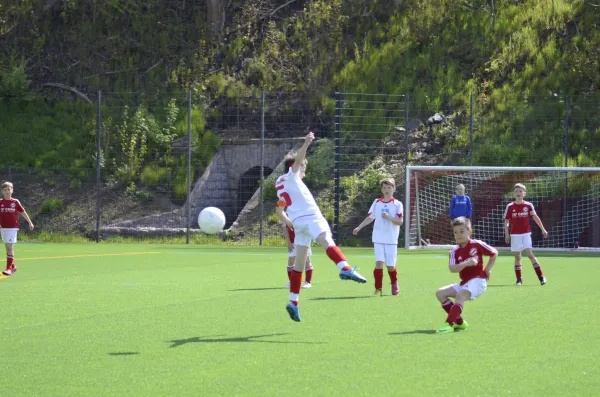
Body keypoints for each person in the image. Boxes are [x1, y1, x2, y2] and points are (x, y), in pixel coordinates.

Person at [275, 132, 367, 322]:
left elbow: (281, 206)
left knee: (299, 265)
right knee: (326, 240)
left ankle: (293, 302)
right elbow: (299, 159)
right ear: (295, 167)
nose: (304, 172)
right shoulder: (292, 177)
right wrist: (306, 144)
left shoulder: (279, 182)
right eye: (303, 168)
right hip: (310, 217)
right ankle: (345, 267)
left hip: (298, 223)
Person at [435, 217, 498, 333]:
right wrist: (466, 263)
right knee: (440, 293)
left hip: (478, 281)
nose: (458, 235)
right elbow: (452, 269)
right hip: (465, 283)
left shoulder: (477, 244)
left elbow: (494, 253)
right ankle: (460, 323)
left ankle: (449, 324)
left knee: (460, 296)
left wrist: (488, 269)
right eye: (455, 232)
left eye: (462, 231)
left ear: (469, 231)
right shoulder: (454, 251)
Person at [352, 178, 403, 296]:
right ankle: (378, 288)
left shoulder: (397, 204)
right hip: (378, 238)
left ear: (394, 189)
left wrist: (389, 217)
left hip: (391, 239)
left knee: (390, 266)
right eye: (384, 188)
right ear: (381, 190)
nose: (387, 190)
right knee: (379, 262)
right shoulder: (377, 202)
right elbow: (370, 217)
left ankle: (394, 283)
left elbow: (400, 222)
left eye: (389, 188)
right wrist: (359, 227)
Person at [503, 183, 549, 286]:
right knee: (517, 257)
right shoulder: (510, 206)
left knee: (530, 255)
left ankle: (541, 277)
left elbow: (535, 217)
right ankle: (519, 279)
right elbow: (506, 221)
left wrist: (543, 229)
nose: (518, 193)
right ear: (514, 194)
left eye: (520, 191)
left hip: (526, 234)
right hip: (514, 235)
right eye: (516, 191)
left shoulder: (528, 205)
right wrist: (506, 234)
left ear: (524, 193)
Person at [0, 181, 34, 276]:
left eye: (9, 189)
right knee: (8, 248)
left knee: (9, 248)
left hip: (12, 228)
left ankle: (8, 269)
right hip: (3, 228)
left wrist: (30, 222)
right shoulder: (0, 202)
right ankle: (13, 266)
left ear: (12, 190)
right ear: (2, 191)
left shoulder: (15, 202)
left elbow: (23, 212)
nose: (7, 191)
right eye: (5, 189)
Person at [276, 203, 313, 289]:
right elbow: (284, 227)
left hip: (303, 240)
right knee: (291, 260)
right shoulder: (288, 210)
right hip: (293, 242)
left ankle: (308, 282)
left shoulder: (304, 211)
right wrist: (289, 242)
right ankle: (292, 282)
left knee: (306, 260)